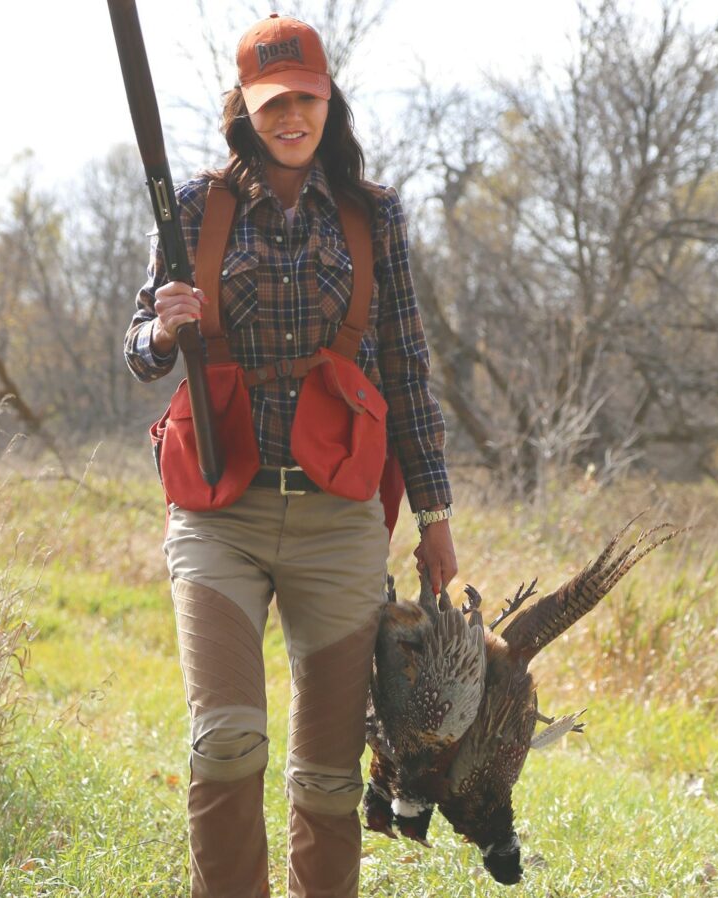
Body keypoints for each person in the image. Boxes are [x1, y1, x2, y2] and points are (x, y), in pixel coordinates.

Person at [124, 14, 457, 898]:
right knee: (226, 739)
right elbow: (137, 346)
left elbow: (407, 370)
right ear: (247, 109)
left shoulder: (371, 215)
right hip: (217, 509)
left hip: (338, 517)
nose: (292, 117)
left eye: (305, 98)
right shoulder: (192, 208)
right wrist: (163, 329)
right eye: (274, 103)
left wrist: (435, 519)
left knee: (326, 775)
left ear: (327, 100)